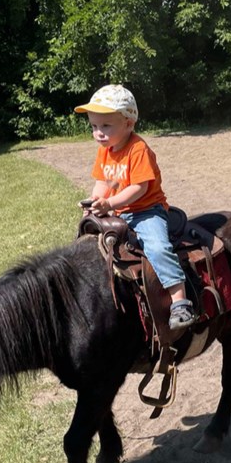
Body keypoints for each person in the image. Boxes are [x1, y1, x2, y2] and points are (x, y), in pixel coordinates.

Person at [75, 85, 195, 330]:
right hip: (118, 210)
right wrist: (94, 202)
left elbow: (138, 188)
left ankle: (179, 301)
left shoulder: (138, 150)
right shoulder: (105, 151)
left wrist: (109, 203)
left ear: (128, 124)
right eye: (94, 126)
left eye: (105, 126)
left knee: (158, 248)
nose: (98, 133)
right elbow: (104, 182)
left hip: (146, 211)